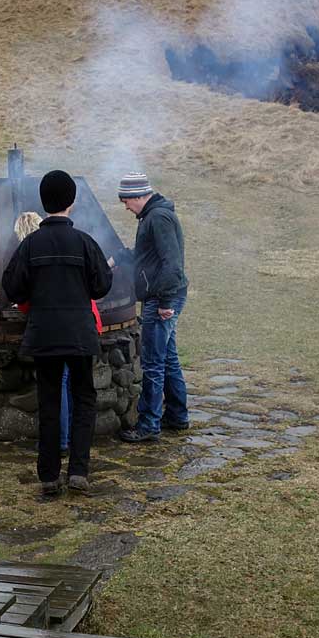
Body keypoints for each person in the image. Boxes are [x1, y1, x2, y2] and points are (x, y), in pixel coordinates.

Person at [2, 171, 112, 496]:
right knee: (83, 400)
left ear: (43, 202)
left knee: (49, 403)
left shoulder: (30, 244)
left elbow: (12, 287)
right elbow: (102, 285)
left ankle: (49, 477)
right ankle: (78, 471)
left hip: (44, 335)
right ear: (72, 203)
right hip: (80, 334)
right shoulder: (85, 243)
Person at [14, 211, 104, 452]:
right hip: (84, 325)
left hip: (63, 329)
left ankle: (62, 441)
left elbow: (21, 295)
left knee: (61, 385)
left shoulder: (33, 249)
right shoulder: (76, 243)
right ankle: (74, 443)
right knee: (79, 388)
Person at [114, 172, 190, 441]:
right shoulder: (151, 216)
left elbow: (172, 264)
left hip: (161, 297)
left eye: (126, 201)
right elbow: (148, 256)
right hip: (162, 295)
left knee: (153, 363)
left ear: (138, 196)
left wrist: (166, 302)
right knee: (168, 358)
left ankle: (148, 426)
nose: (125, 206)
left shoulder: (157, 218)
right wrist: (118, 258)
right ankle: (177, 417)